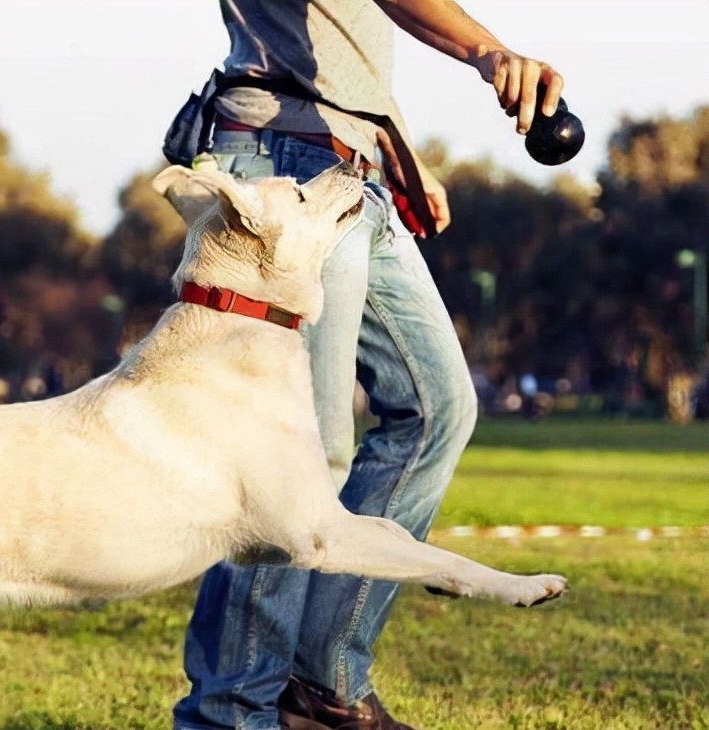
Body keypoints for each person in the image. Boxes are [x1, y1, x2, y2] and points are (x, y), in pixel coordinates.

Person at [168, 2, 565, 729]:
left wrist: (393, 146)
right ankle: (231, 712)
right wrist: (488, 53)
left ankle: (320, 686)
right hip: (279, 167)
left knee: (438, 408)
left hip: (350, 169)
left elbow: (339, 38)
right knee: (298, 460)